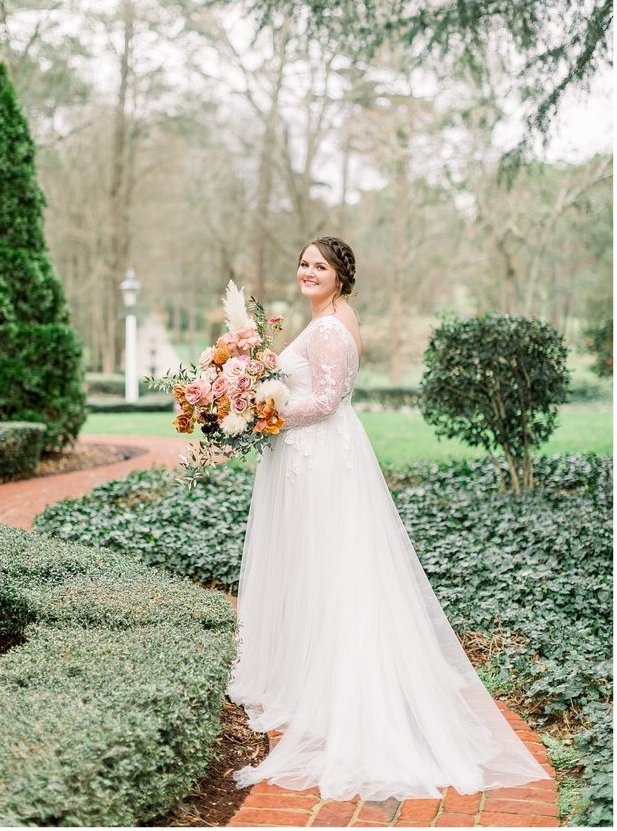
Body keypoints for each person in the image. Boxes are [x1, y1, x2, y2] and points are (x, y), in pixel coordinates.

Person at [226, 236, 553, 802]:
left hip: (320, 461)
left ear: (340, 276)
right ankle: (313, 682)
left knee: (328, 574)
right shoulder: (333, 319)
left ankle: (339, 695)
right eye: (303, 263)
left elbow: (326, 401)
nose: (307, 271)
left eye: (319, 266)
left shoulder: (330, 328)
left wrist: (260, 412)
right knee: (323, 573)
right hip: (317, 457)